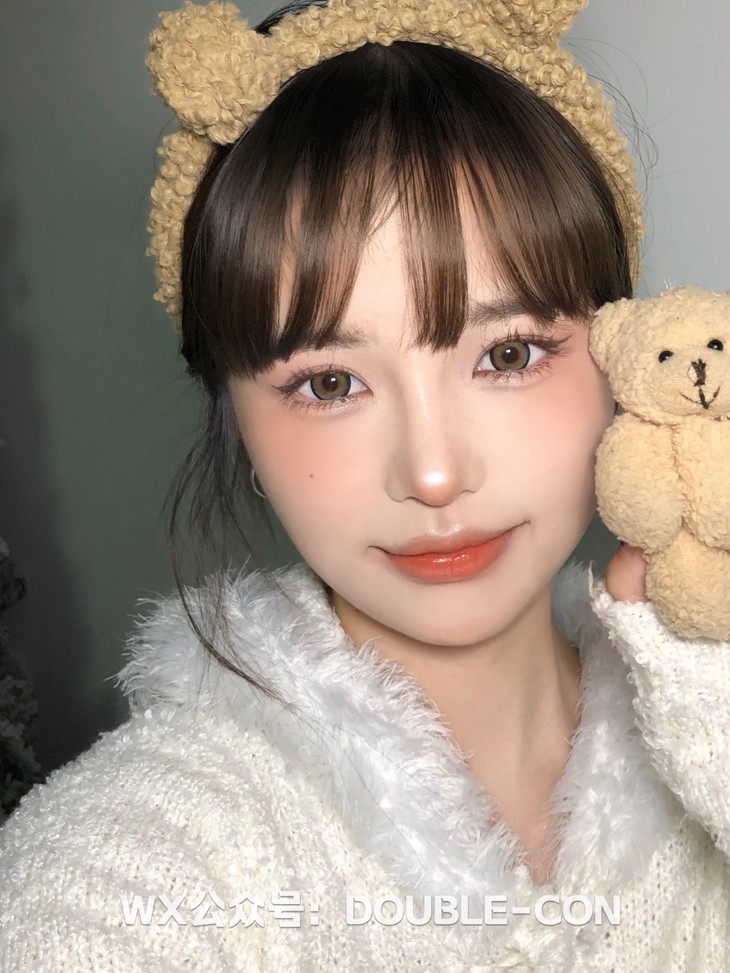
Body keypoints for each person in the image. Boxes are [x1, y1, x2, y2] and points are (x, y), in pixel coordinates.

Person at [1, 0, 728, 970]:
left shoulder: (706, 708)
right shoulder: (135, 866)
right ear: (233, 410)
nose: (434, 472)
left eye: (508, 353)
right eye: (331, 383)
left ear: (617, 349)